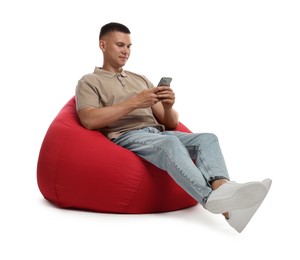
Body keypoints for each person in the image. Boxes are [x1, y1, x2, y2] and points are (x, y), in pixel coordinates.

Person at [75, 22, 272, 232]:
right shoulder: (90, 81)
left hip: (157, 133)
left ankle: (224, 193)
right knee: (168, 142)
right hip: (126, 136)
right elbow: (89, 119)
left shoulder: (140, 79)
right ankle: (209, 198)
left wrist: (168, 106)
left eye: (129, 46)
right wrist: (135, 102)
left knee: (208, 138)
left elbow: (170, 123)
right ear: (103, 45)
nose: (126, 51)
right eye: (120, 45)